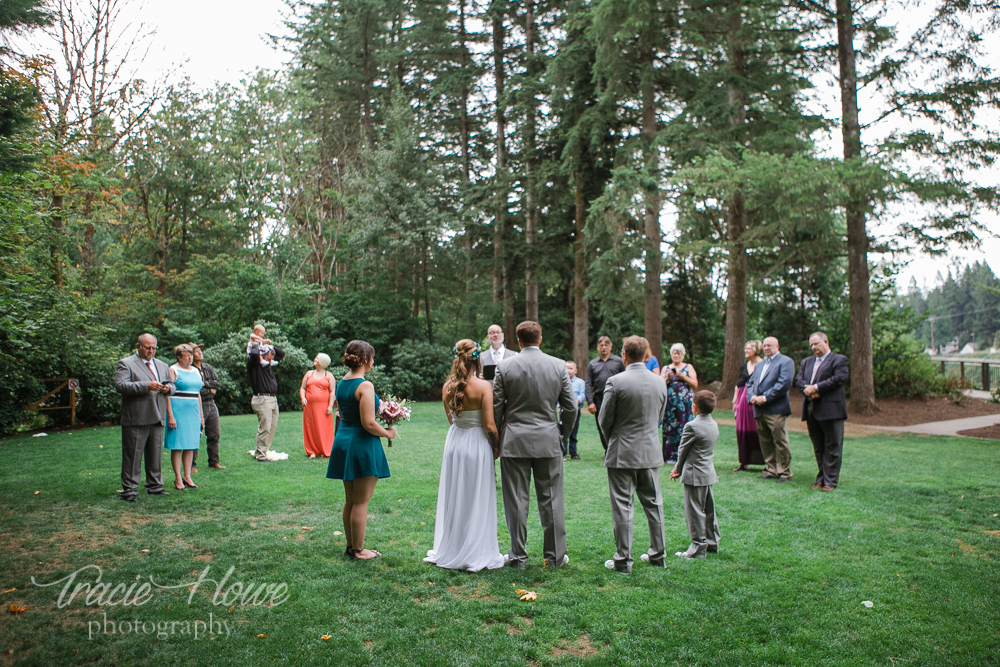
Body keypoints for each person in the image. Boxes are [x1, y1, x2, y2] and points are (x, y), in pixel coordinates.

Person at [493, 321, 577, 569]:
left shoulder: (504, 366)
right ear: (540, 339)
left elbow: (497, 408)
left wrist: (498, 438)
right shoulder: (558, 365)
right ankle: (554, 558)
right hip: (548, 439)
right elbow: (571, 407)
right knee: (551, 500)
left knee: (516, 502)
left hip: (514, 441)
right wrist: (562, 432)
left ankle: (518, 556)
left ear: (518, 341)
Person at [423, 339, 505, 572]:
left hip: (455, 442)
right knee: (475, 494)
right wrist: (496, 447)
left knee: (455, 494)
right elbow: (489, 425)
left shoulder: (447, 386)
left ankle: (453, 545)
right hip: (477, 443)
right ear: (477, 359)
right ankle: (475, 549)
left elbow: (451, 419)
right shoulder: (483, 387)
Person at [599, 336, 669, 573]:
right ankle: (658, 555)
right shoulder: (661, 382)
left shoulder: (615, 381)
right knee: (654, 504)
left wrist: (614, 439)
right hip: (650, 450)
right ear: (646, 356)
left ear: (625, 355)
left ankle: (623, 561)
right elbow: (659, 418)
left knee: (622, 506)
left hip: (622, 452)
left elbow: (604, 420)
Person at [327, 340, 396, 560]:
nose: (373, 361)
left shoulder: (342, 382)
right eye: (372, 357)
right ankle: (358, 550)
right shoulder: (364, 385)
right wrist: (387, 433)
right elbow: (368, 423)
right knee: (361, 501)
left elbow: (343, 414)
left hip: (344, 440)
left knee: (351, 499)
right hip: (361, 444)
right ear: (365, 359)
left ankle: (351, 546)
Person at [114, 334, 174, 501]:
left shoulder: (162, 365)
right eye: (148, 347)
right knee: (132, 456)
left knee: (155, 454)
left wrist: (167, 389)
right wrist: (146, 386)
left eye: (154, 348)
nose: (151, 351)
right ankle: (130, 490)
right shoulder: (125, 364)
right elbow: (121, 386)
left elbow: (172, 386)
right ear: (138, 346)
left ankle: (155, 486)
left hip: (157, 416)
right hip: (136, 417)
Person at [793, 331, 849, 491]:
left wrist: (817, 388)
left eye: (816, 343)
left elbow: (839, 379)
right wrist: (808, 390)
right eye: (811, 345)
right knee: (818, 446)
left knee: (833, 445)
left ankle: (830, 481)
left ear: (826, 342)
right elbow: (799, 379)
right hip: (811, 409)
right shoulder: (806, 362)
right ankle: (821, 477)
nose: (813, 347)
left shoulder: (839, 360)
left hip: (831, 410)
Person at [669, 391, 721, 559]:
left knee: (695, 512)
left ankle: (698, 547)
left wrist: (677, 469)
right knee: (709, 510)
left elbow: (682, 450)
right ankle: (712, 542)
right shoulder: (713, 424)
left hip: (694, 474)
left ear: (695, 407)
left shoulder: (692, 426)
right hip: (708, 473)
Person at [747, 336, 795, 482]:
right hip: (759, 409)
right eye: (765, 346)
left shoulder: (785, 362)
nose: (767, 348)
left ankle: (785, 472)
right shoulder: (760, 365)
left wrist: (765, 397)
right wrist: (752, 397)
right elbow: (750, 383)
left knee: (780, 441)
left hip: (776, 408)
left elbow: (784, 383)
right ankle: (771, 469)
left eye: (770, 345)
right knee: (765, 441)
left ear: (777, 346)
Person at [164, 344, 205, 491]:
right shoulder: (173, 369)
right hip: (178, 410)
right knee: (178, 444)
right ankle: (177, 477)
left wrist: (201, 417)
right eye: (186, 355)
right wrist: (170, 416)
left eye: (191, 355)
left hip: (193, 409)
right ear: (179, 358)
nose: (190, 358)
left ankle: (187, 476)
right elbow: (167, 393)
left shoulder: (196, 370)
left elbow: (198, 394)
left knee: (190, 444)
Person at [247, 338, 285, 462]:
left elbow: (281, 354)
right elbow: (253, 354)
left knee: (272, 426)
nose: (270, 361)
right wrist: (257, 344)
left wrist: (270, 346)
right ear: (261, 354)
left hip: (272, 399)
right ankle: (260, 454)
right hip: (262, 398)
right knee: (265, 427)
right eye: (268, 358)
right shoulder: (254, 364)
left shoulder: (267, 364)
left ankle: (264, 450)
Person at [660, 343, 698, 464]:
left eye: (679, 353)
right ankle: (669, 456)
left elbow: (695, 384)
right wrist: (668, 378)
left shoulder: (688, 367)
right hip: (670, 404)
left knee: (685, 427)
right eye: (674, 353)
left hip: (685, 404)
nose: (676, 356)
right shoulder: (666, 368)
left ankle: (685, 455)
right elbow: (660, 385)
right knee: (670, 428)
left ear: (683, 355)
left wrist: (683, 377)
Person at [586, 336, 625, 451]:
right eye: (601, 345)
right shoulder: (593, 364)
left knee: (616, 423)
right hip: (599, 398)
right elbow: (588, 384)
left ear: (610, 347)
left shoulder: (618, 362)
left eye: (606, 345)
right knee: (601, 424)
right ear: (598, 348)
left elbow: (625, 378)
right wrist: (590, 402)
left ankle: (617, 448)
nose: (604, 347)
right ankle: (608, 450)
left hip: (617, 397)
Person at [190, 343, 224, 471]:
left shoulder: (207, 367)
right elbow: (195, 388)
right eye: (197, 351)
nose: (200, 353)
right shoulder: (190, 369)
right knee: (196, 434)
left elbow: (217, 382)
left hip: (211, 403)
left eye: (200, 351)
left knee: (214, 434)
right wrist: (209, 389)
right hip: (198, 404)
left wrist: (204, 384)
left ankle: (214, 462)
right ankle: (192, 465)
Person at [732, 340, 764, 472]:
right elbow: (738, 384)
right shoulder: (744, 366)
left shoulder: (763, 365)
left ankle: (764, 461)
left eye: (748, 348)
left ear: (756, 349)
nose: (746, 351)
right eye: (745, 348)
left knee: (758, 431)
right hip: (741, 401)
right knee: (741, 431)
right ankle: (744, 461)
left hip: (755, 401)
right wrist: (735, 401)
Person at [300, 353, 337, 458]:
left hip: (323, 407)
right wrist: (303, 398)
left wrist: (330, 406)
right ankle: (312, 451)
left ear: (322, 362)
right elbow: (303, 388)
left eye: (317, 358)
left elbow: (332, 391)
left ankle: (325, 450)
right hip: (309, 407)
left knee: (324, 428)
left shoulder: (329, 375)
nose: (314, 359)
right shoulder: (309, 374)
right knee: (310, 427)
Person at [562, 361, 586, 460]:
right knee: (563, 431)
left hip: (575, 411)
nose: (568, 370)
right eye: (566, 368)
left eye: (571, 369)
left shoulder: (580, 382)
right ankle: (563, 452)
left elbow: (582, 394)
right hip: (564, 410)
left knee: (573, 431)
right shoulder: (562, 381)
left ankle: (573, 452)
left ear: (575, 371)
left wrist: (577, 401)